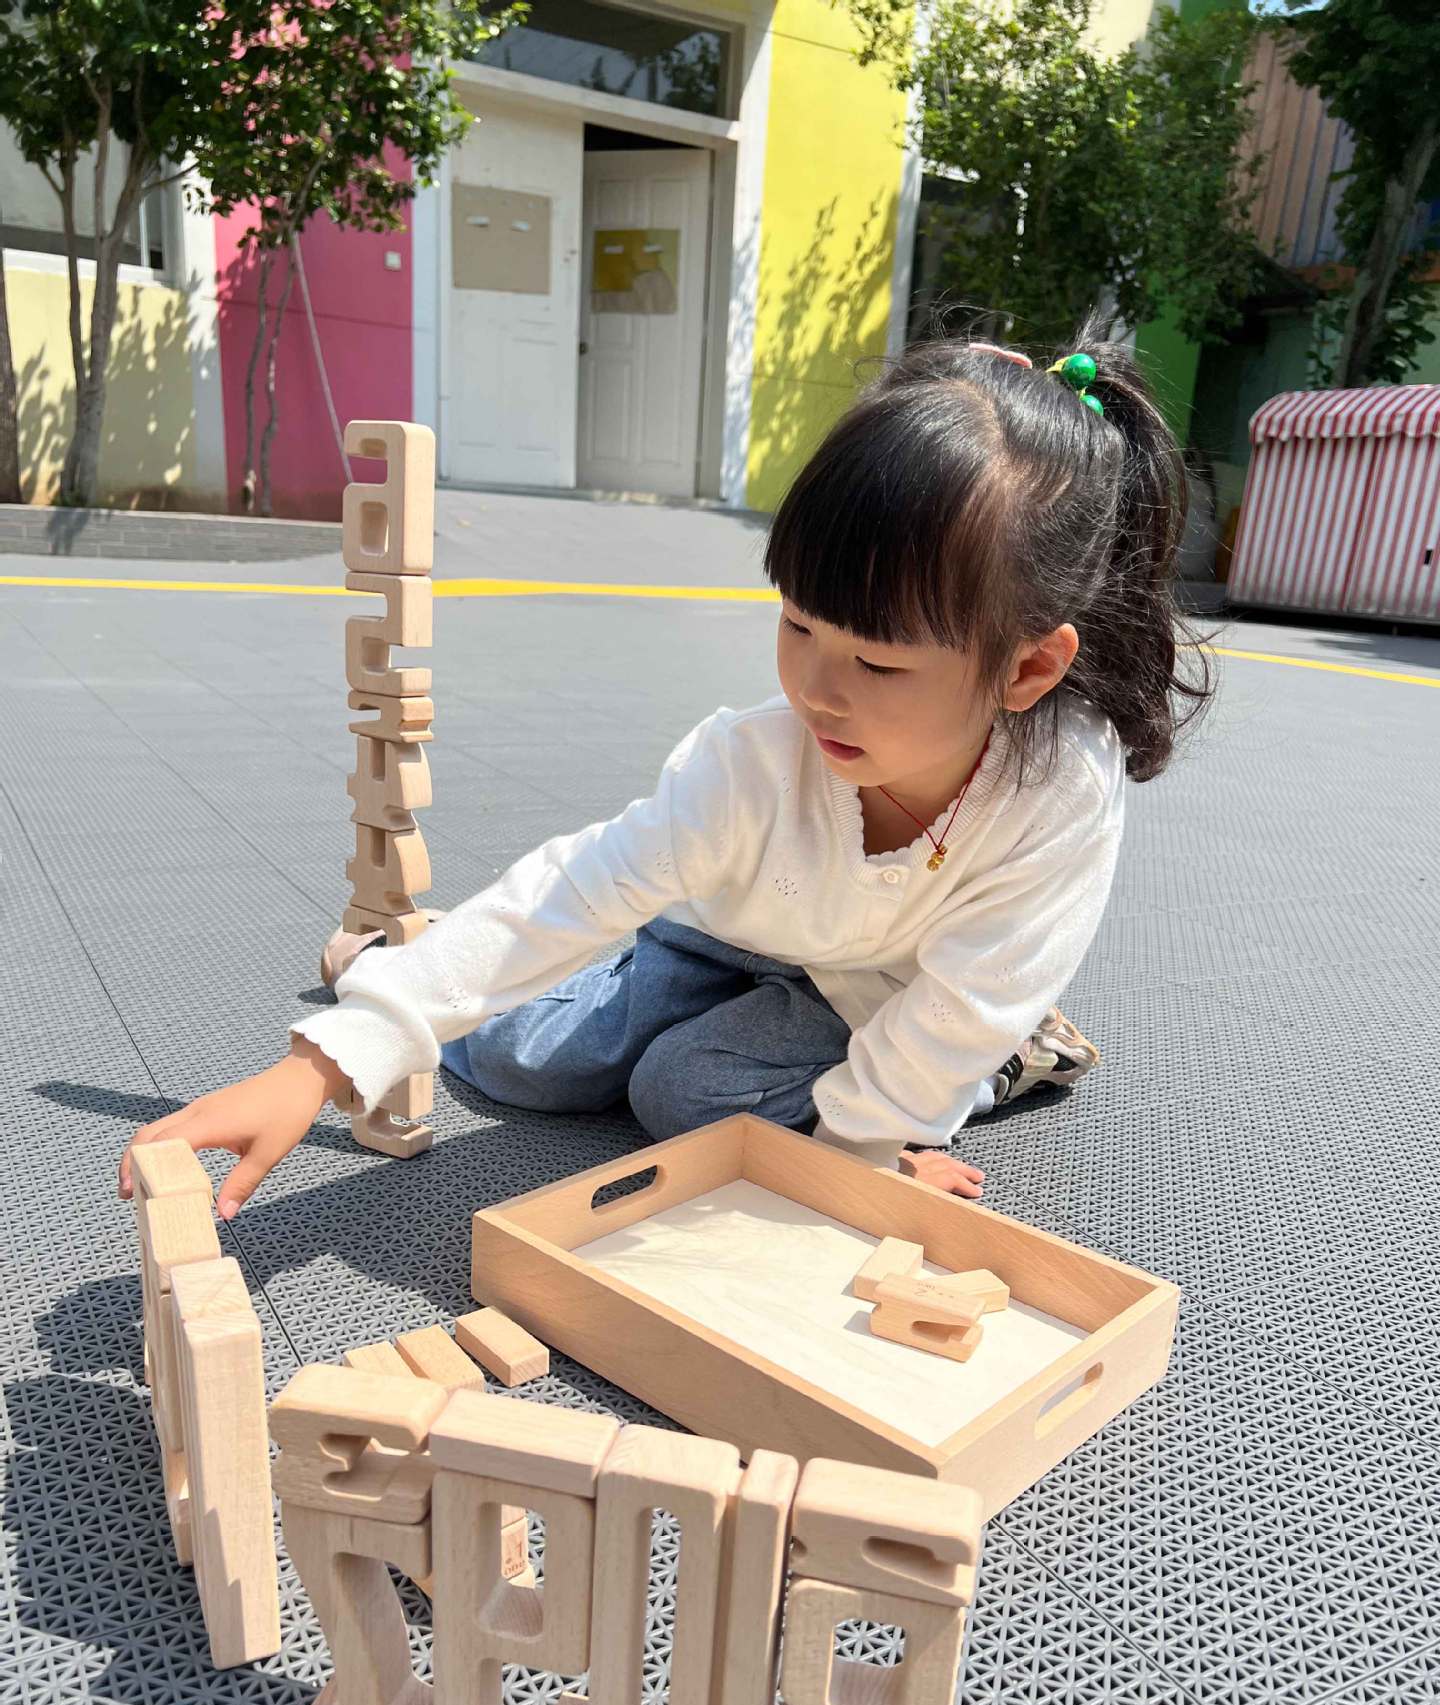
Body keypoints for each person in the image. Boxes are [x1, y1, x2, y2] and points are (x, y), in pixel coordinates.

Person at [119, 330, 1212, 1221]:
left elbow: (964, 1001)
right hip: (733, 930)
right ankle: (412, 962)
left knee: (685, 1094)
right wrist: (331, 1058)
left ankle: (1021, 1057)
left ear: (1027, 668)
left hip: (882, 988)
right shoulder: (750, 765)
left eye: (878, 664)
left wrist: (867, 1155)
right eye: (798, 625)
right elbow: (577, 889)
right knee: (531, 1061)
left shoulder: (1059, 790)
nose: (817, 691)